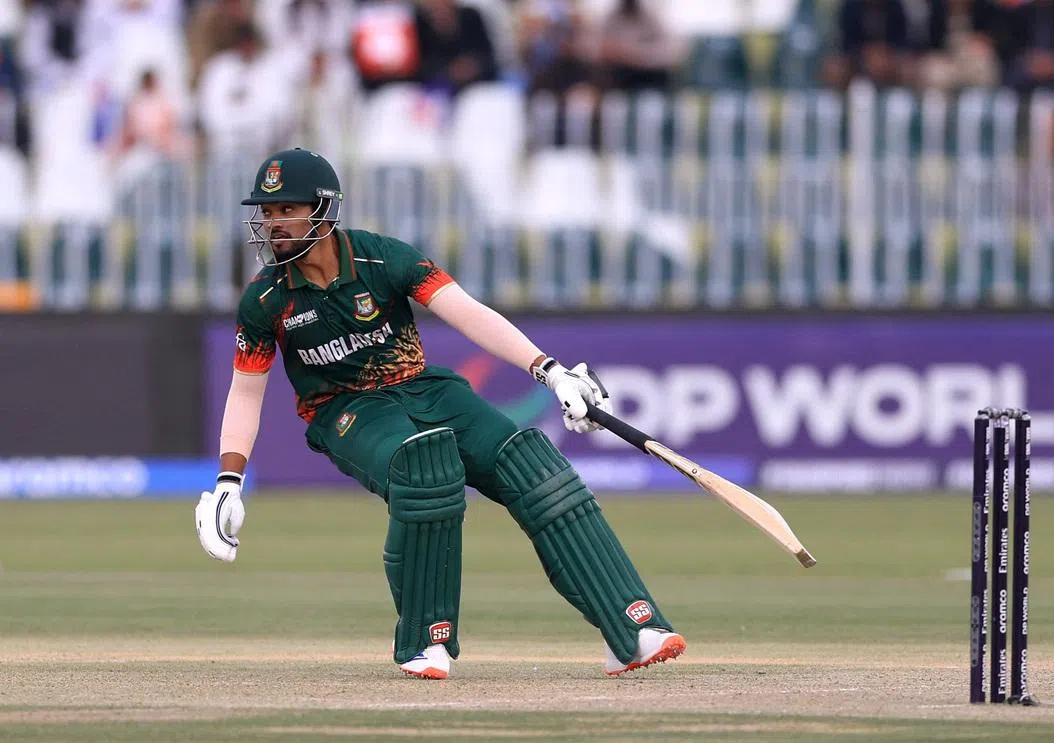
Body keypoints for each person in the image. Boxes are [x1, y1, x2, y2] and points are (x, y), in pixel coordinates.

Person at [194, 148, 686, 680]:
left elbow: (467, 312)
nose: (271, 223)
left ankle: (632, 628)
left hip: (424, 386)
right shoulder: (266, 299)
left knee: (534, 466)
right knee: (424, 468)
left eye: (284, 209)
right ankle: (423, 640)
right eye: (266, 212)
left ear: (322, 209)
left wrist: (552, 371)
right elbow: (246, 392)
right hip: (345, 411)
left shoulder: (386, 258)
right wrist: (228, 479)